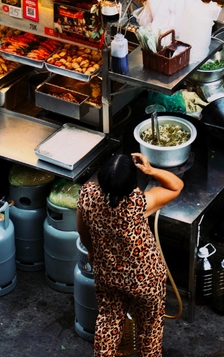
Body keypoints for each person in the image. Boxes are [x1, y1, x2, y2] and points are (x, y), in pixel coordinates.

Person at [77, 153, 183, 357]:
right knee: (150, 329)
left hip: (108, 274)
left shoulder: (87, 195)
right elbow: (176, 186)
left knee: (108, 322)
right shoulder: (138, 202)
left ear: (101, 177)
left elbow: (83, 232)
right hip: (146, 279)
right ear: (132, 183)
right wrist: (150, 170)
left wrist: (92, 252)